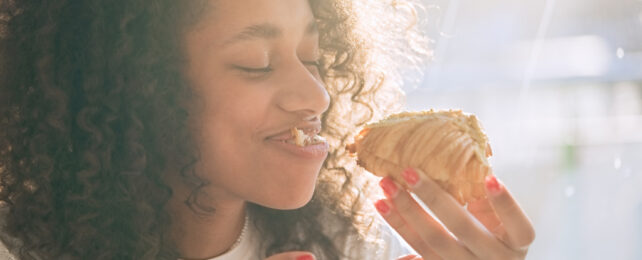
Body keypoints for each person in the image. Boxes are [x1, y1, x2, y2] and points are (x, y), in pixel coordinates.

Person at [0, 0, 534, 259]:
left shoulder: (341, 245)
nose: (317, 96)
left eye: (313, 57)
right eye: (256, 61)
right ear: (132, 84)